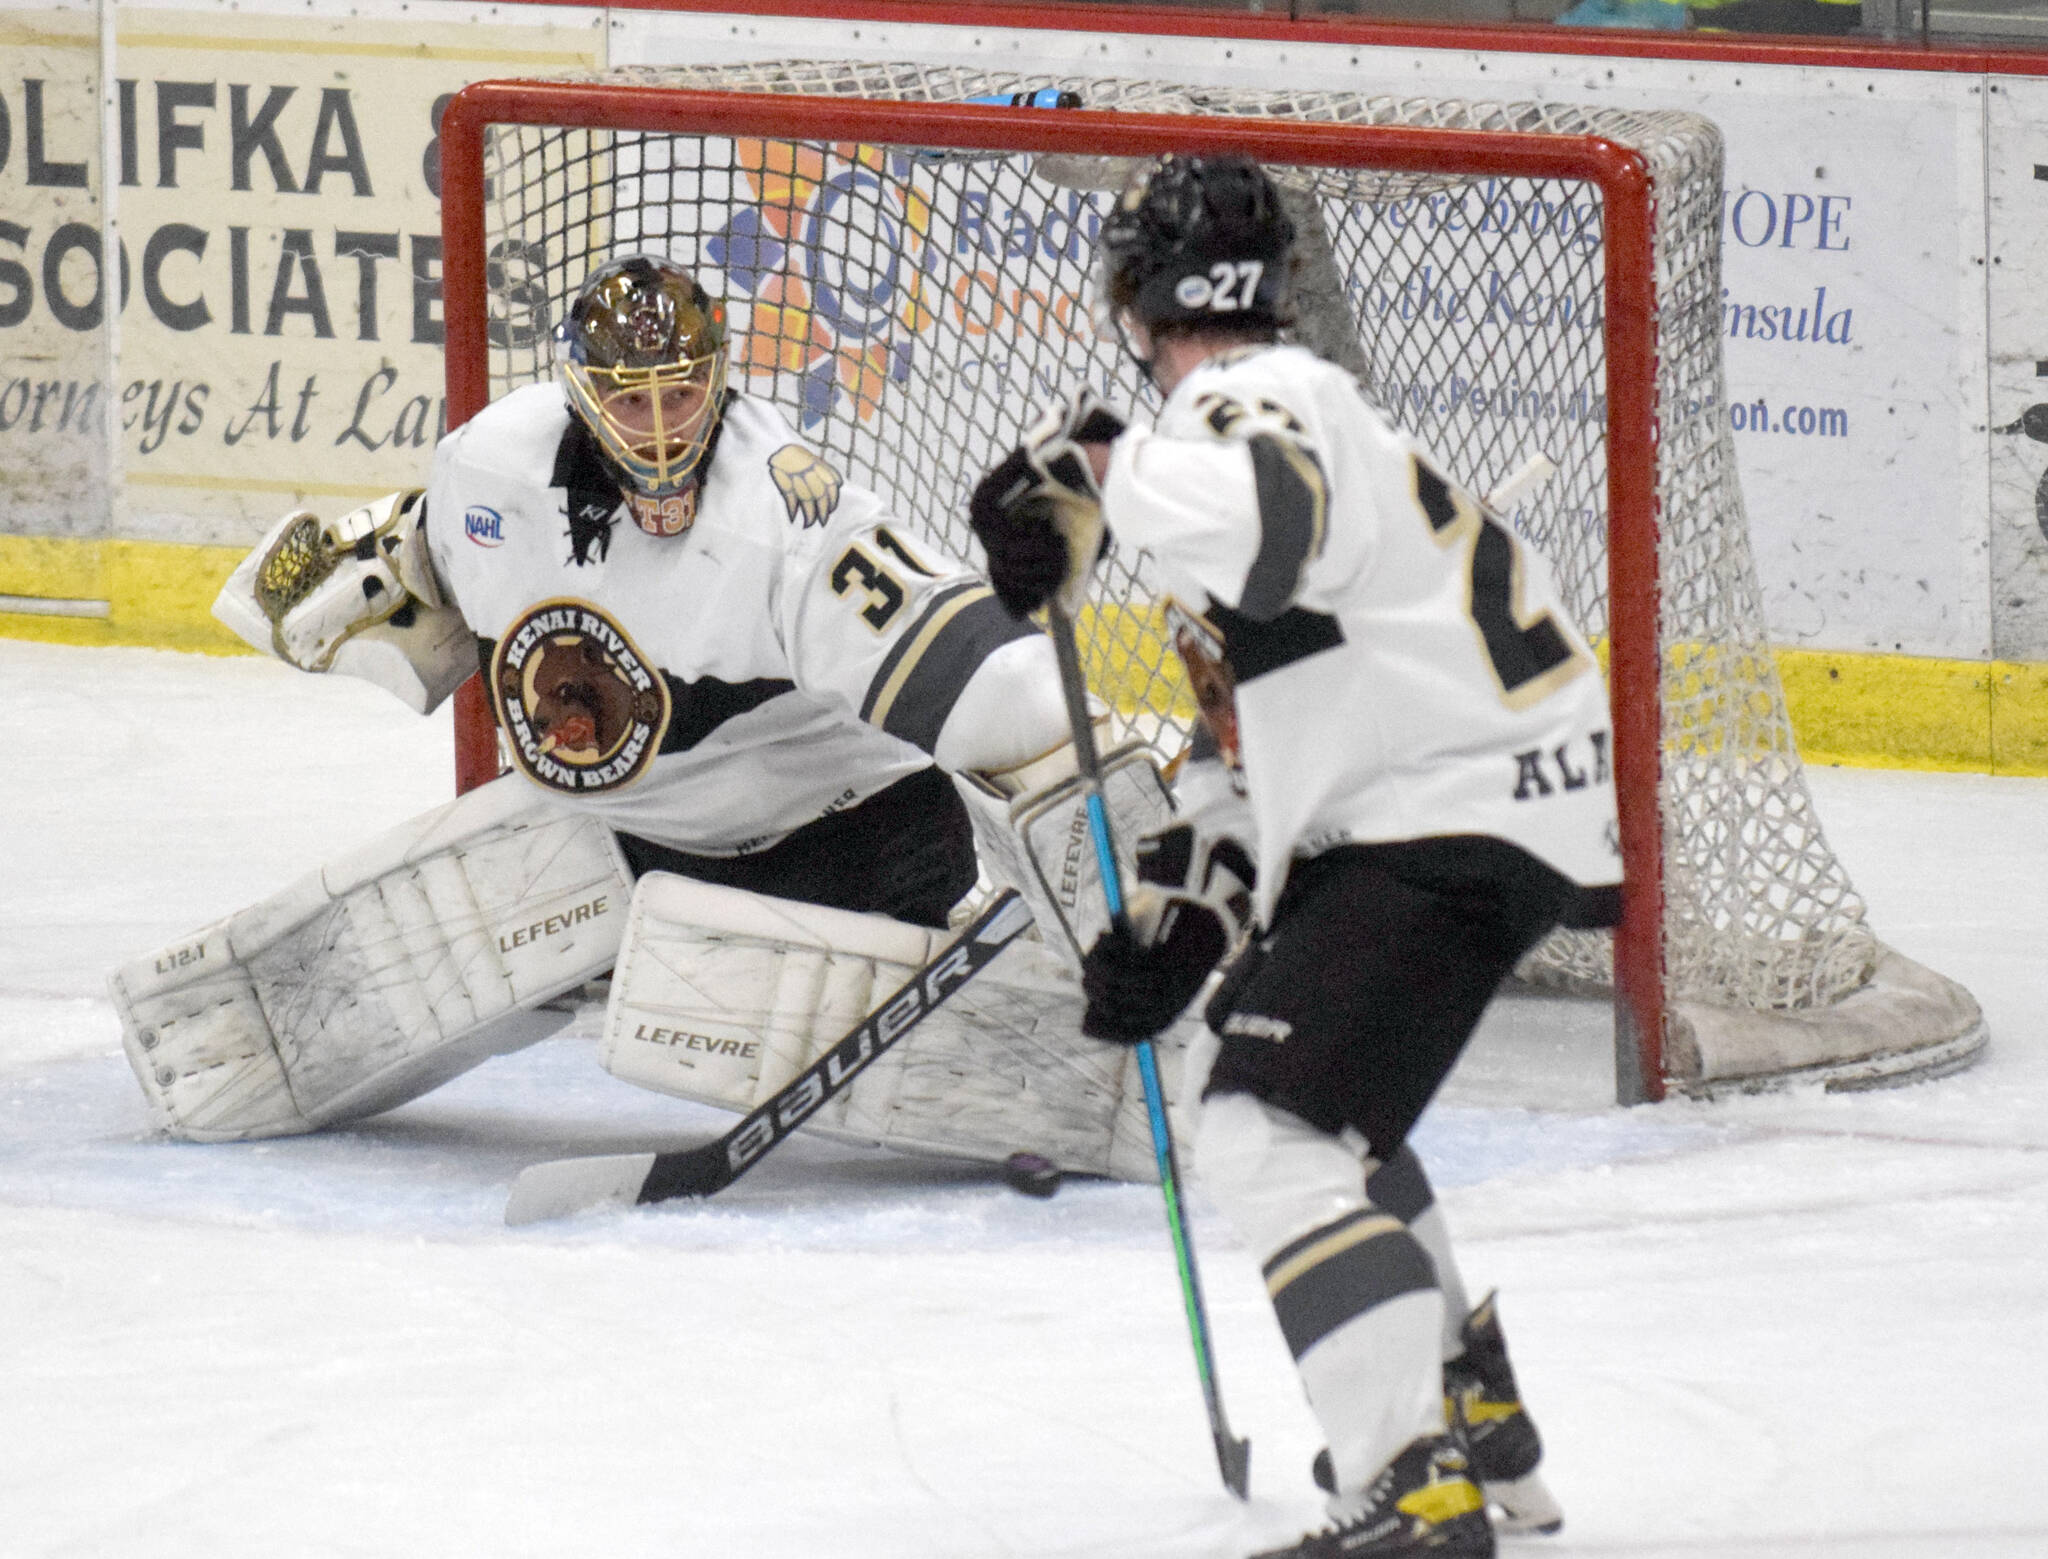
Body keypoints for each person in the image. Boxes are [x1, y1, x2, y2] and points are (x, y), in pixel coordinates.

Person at [113, 253, 1174, 1170]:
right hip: (623, 831)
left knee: (673, 988)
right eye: (631, 399)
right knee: (519, 903)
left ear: (720, 380)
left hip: (851, 842)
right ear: (580, 394)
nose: (663, 427)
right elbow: (424, 560)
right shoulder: (492, 467)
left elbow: (1003, 689)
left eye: (683, 393)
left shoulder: (786, 522)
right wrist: (343, 588)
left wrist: (1124, 900)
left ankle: (1115, 1061)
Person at [970, 156, 1623, 1557]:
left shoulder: (1244, 405)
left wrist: (1090, 467)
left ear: (1136, 296)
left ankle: (1409, 1479)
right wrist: (1180, 919)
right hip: (1482, 800)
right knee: (1320, 1109)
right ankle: (1466, 1407)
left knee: (1264, 1129)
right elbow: (1252, 742)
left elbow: (1279, 531)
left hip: (1450, 808)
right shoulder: (1282, 430)